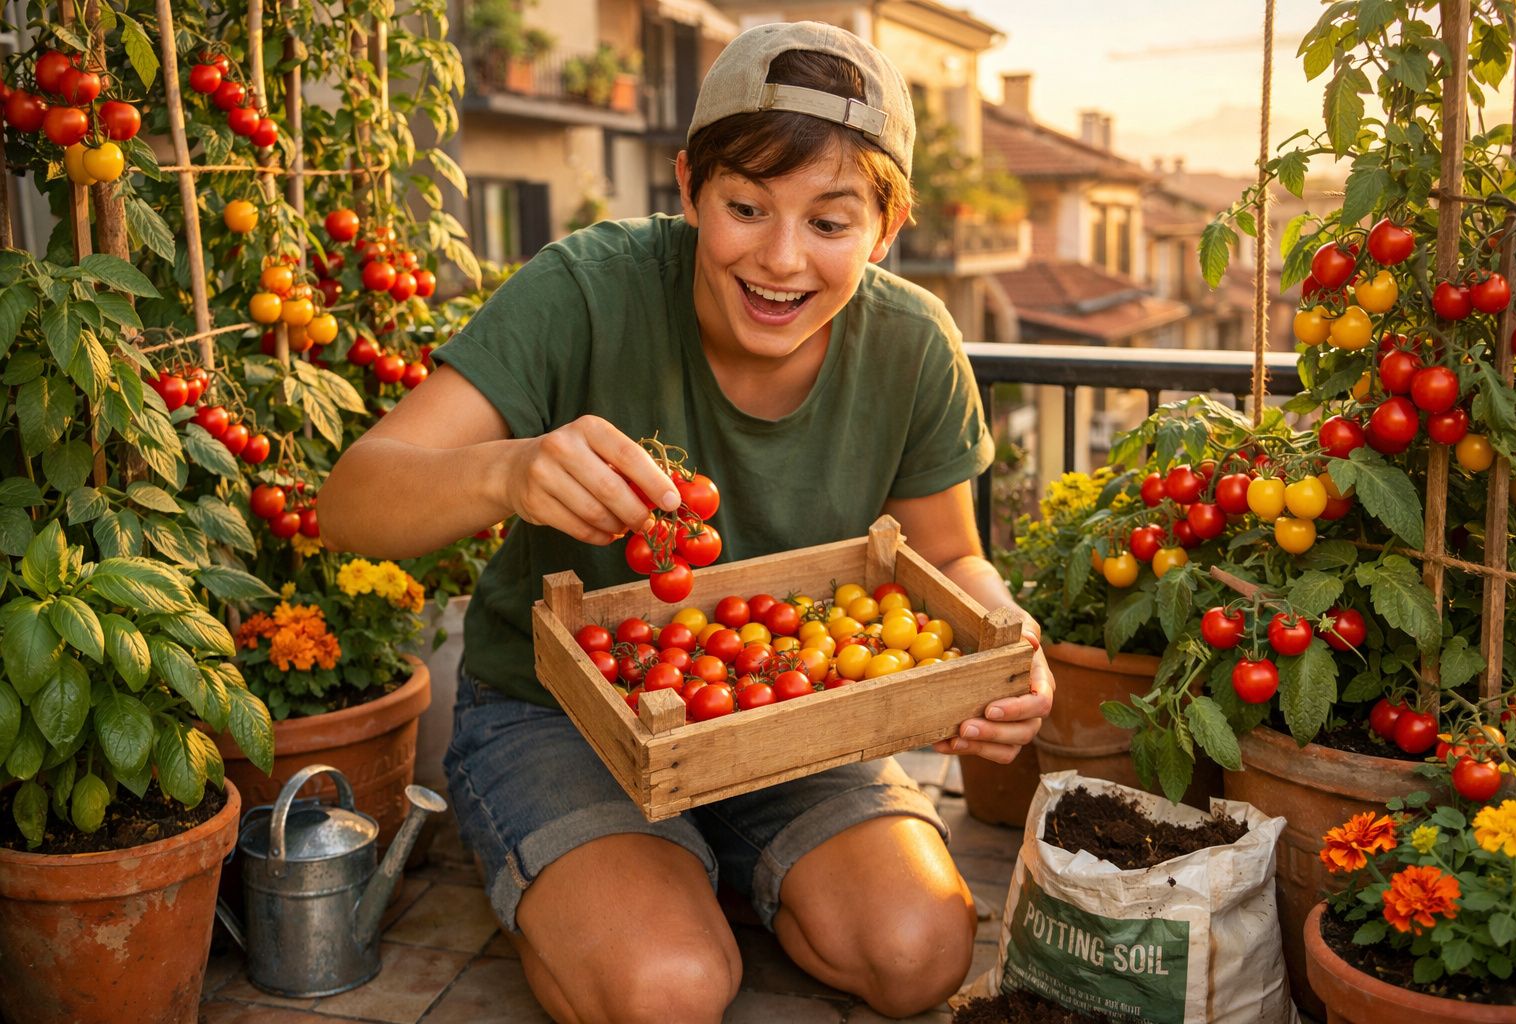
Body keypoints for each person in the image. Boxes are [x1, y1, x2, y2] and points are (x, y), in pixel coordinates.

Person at [319, 20, 1054, 1023]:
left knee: (921, 949)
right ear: (688, 189)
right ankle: (623, 885)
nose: (782, 259)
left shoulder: (913, 343)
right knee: (668, 989)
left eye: (831, 223)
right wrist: (511, 470)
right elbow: (351, 499)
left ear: (886, 232)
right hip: (565, 716)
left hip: (786, 714)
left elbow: (955, 553)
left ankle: (689, 870)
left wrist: (1008, 644)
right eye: (746, 207)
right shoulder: (585, 289)